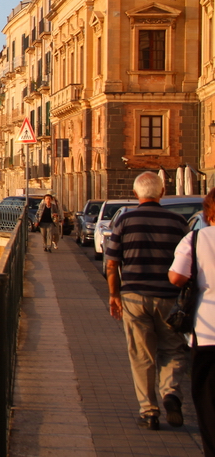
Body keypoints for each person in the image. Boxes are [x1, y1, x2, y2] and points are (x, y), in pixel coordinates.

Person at [105, 171, 189, 430]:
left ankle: (149, 412)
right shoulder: (178, 223)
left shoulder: (125, 221)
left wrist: (114, 295)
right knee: (173, 349)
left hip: (134, 296)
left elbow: (111, 263)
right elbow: (187, 263)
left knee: (141, 354)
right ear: (162, 193)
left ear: (135, 194)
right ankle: (171, 393)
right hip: (169, 298)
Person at [170, 188, 215, 456]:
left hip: (207, 331)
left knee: (208, 401)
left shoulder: (196, 239)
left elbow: (176, 277)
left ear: (208, 211)